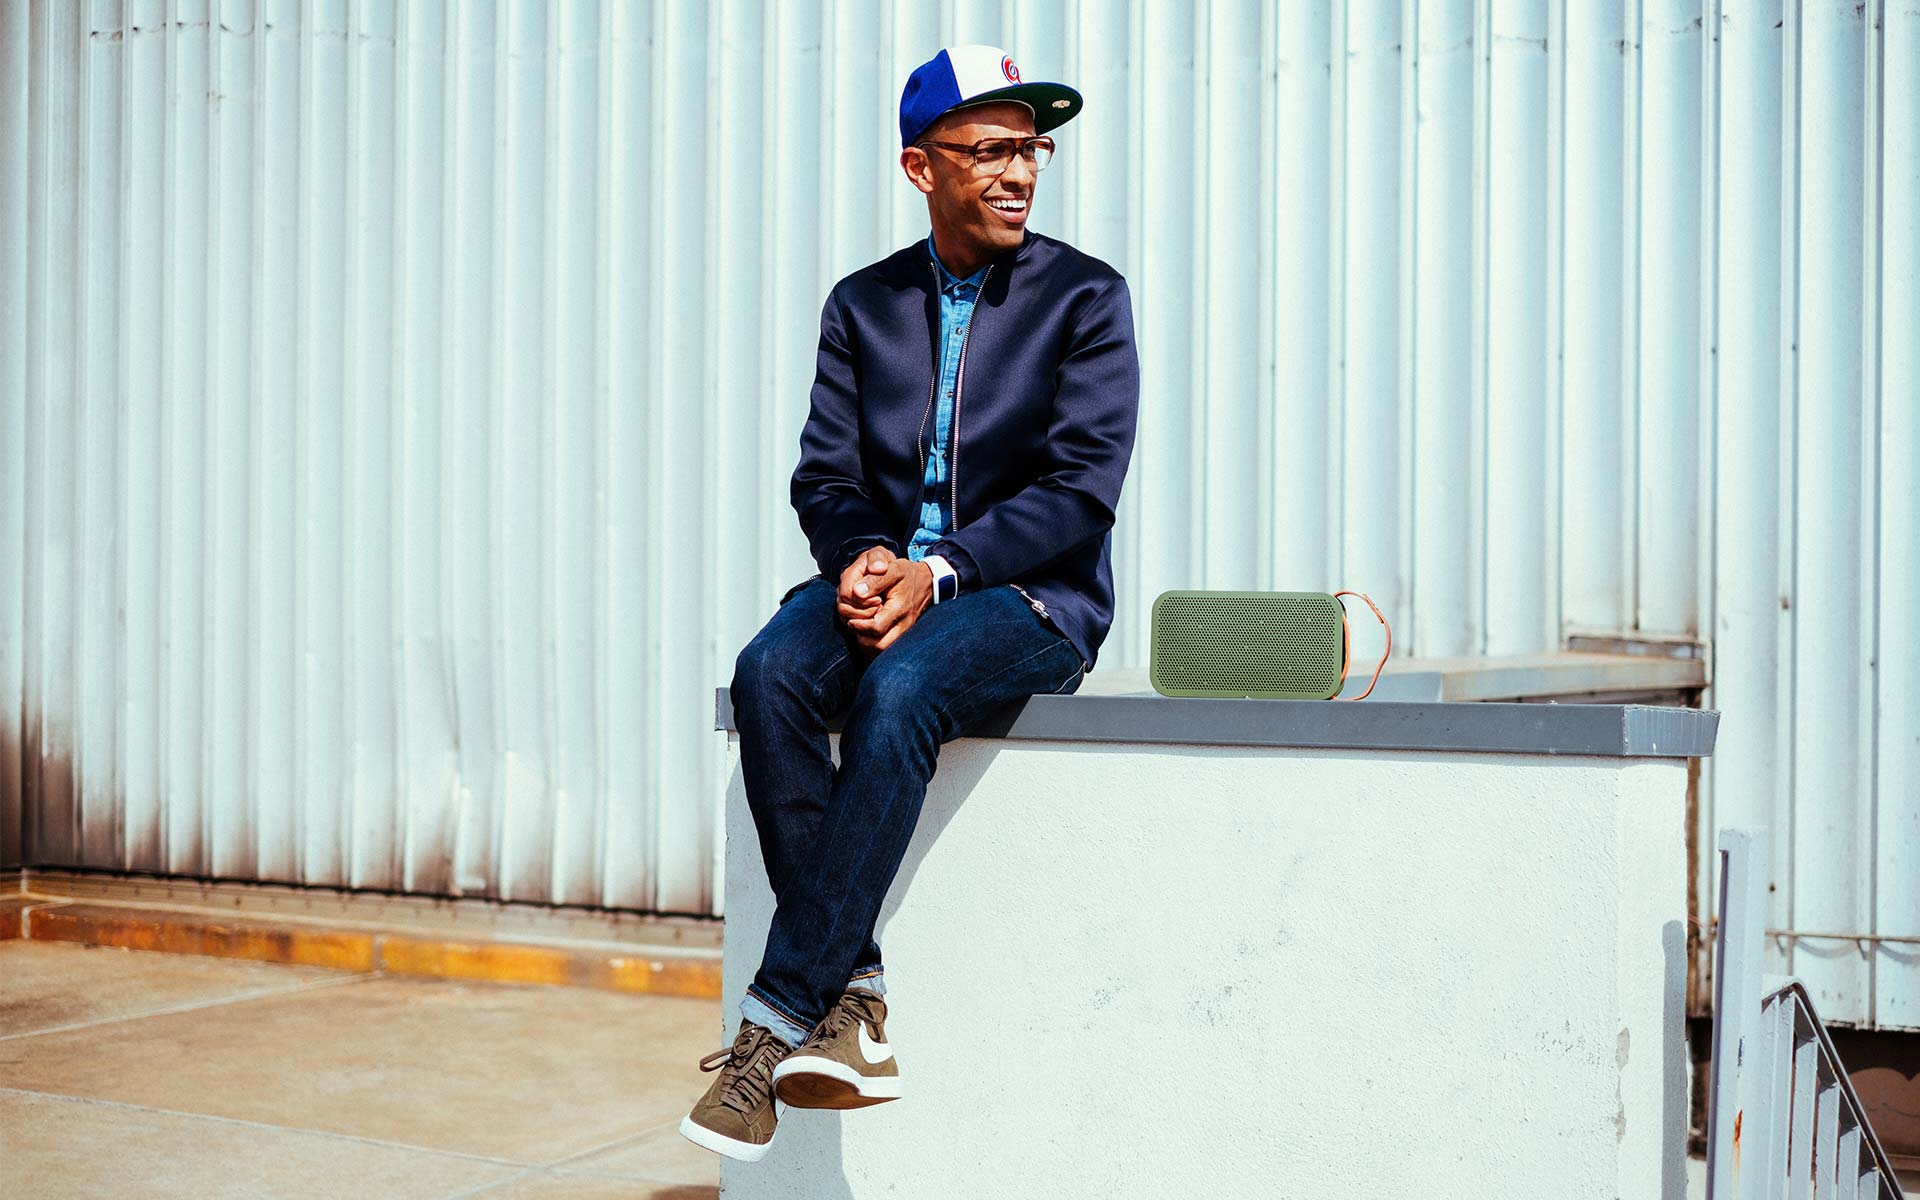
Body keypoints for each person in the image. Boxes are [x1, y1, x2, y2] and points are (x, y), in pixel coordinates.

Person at [679, 43, 1141, 1162]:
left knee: (902, 688)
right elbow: (824, 475)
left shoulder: (1087, 297)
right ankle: (856, 999)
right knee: (770, 674)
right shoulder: (864, 304)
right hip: (890, 578)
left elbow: (1082, 489)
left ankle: (772, 1027)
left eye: (1031, 148)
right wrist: (862, 555)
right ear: (920, 167)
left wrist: (942, 572)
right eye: (989, 150)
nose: (1019, 172)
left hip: (1027, 598)